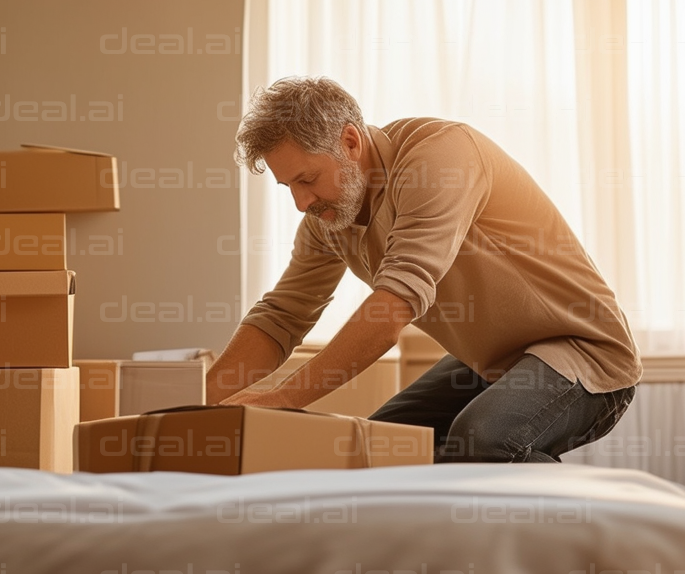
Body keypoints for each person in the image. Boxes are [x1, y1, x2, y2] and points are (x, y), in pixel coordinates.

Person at [206, 76, 641, 463]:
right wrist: (194, 407)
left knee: (482, 441)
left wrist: (283, 398)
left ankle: (593, 526)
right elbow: (282, 316)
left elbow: (393, 307)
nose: (302, 203)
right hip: (492, 361)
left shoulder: (439, 159)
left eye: (307, 179)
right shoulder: (329, 219)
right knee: (379, 451)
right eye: (289, 187)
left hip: (582, 351)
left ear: (351, 142)